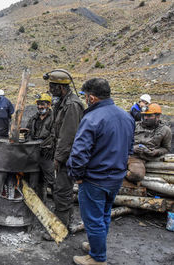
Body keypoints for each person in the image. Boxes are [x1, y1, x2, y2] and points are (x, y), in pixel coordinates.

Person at [67, 78, 134, 265]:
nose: (86, 100)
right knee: (104, 214)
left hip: (95, 179)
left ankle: (97, 258)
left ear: (92, 97)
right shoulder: (126, 116)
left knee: (93, 219)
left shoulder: (91, 118)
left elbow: (79, 153)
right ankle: (96, 246)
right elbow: (129, 149)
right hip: (115, 178)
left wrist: (77, 176)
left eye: (86, 96)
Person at [46, 69, 84, 227]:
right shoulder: (61, 103)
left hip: (68, 155)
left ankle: (59, 227)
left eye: (53, 88)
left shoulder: (72, 105)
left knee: (62, 190)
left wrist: (58, 158)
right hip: (64, 153)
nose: (50, 91)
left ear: (61, 88)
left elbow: (68, 136)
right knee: (63, 189)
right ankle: (67, 221)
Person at [127, 103, 171, 183]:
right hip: (124, 154)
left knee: (137, 175)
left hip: (137, 159)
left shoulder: (165, 130)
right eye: (144, 116)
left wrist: (155, 152)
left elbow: (166, 148)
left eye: (149, 116)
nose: (146, 118)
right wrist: (132, 148)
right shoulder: (134, 125)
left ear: (158, 116)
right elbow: (121, 141)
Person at [25, 93, 55, 202]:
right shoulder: (34, 118)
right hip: (33, 153)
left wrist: (45, 145)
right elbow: (28, 132)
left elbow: (54, 135)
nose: (40, 107)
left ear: (49, 105)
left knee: (52, 181)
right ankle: (40, 203)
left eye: (42, 104)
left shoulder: (54, 118)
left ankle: (60, 208)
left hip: (47, 154)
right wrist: (28, 139)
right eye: (38, 104)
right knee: (36, 180)